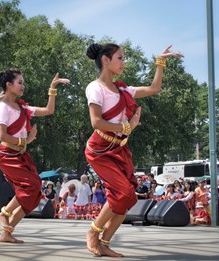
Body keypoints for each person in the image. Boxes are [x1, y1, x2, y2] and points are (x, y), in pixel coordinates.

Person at [84, 42, 182, 257]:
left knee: (128, 198)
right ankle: (93, 233)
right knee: (124, 193)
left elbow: (155, 89)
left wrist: (160, 62)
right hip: (100, 150)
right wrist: (127, 127)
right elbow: (96, 122)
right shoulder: (95, 88)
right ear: (105, 60)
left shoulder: (123, 89)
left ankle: (105, 242)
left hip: (120, 149)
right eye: (120, 58)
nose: (123, 62)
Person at [0, 68, 69, 243]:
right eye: (20, 82)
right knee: (31, 185)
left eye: (23, 83)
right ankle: (3, 213)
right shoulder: (4, 107)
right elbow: (2, 136)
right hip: (7, 155)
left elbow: (49, 110)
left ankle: (6, 232)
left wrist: (52, 88)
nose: (23, 86)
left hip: (21, 155)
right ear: (8, 85)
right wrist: (26, 141)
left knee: (34, 194)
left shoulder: (23, 107)